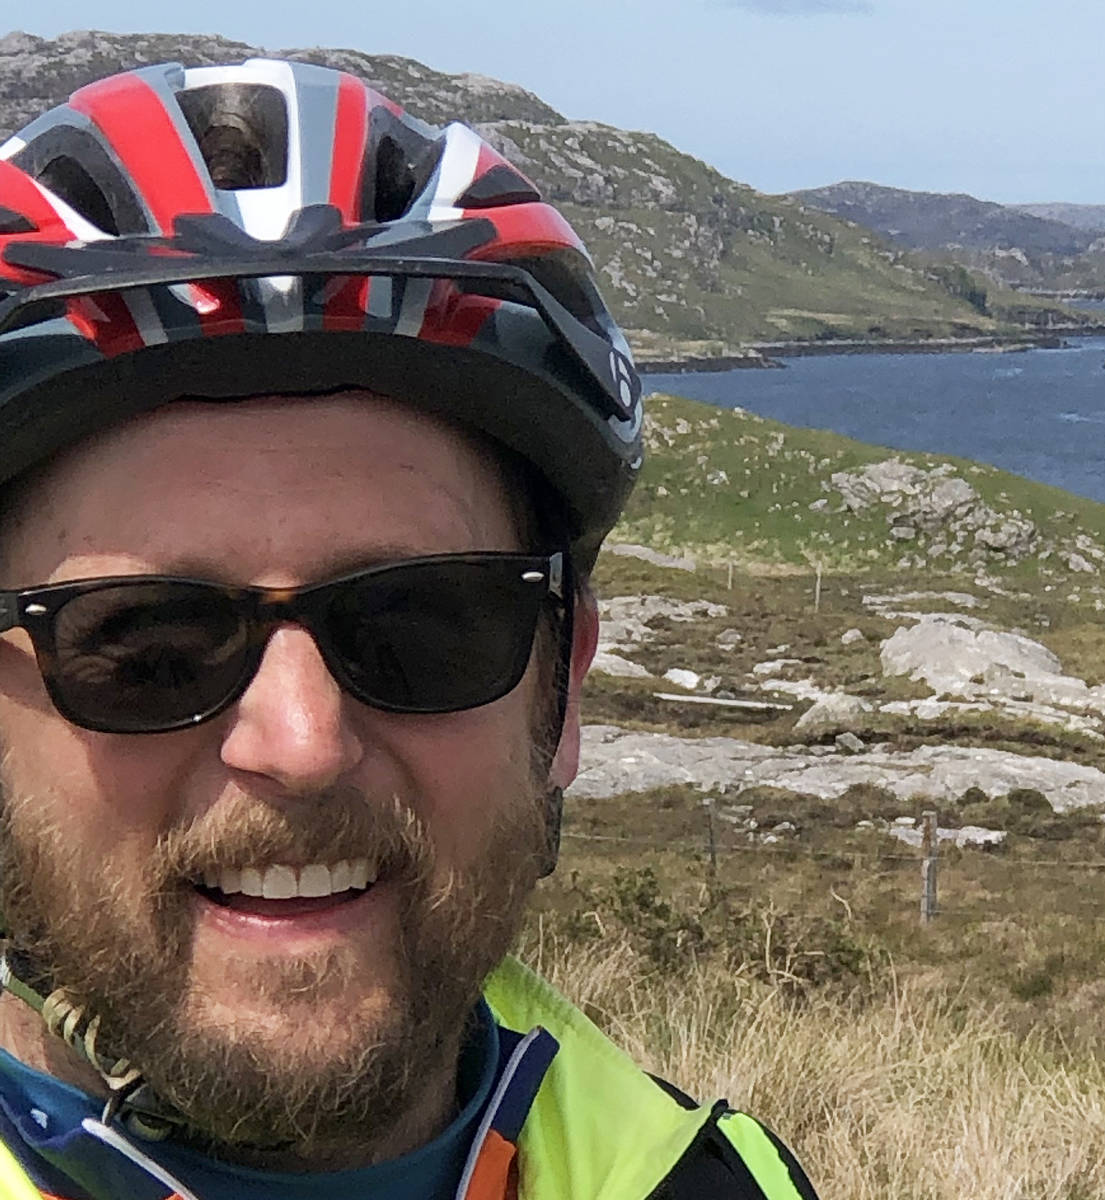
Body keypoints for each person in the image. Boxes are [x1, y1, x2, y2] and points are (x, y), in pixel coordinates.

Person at [0, 58, 817, 1200]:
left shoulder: (714, 1184)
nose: (300, 743)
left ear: (563, 689)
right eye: (145, 649)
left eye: (423, 624)